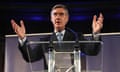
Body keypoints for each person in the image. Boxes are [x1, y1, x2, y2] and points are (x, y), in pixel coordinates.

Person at [11, 4, 104, 72]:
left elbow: (93, 51)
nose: (58, 17)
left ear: (67, 18)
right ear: (51, 18)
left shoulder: (76, 37)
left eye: (61, 14)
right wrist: (23, 39)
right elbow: (30, 57)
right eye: (55, 14)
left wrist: (95, 33)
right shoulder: (45, 41)